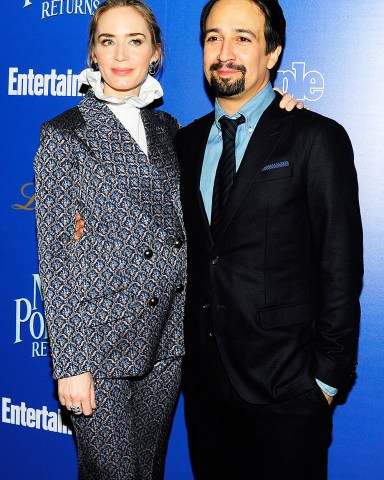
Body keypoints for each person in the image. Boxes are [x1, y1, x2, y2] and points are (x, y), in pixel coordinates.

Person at [175, 0, 363, 479]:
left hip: (289, 392)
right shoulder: (185, 143)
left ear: (273, 51)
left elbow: (340, 265)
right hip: (205, 390)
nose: (225, 52)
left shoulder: (315, 138)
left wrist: (324, 380)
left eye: (243, 37)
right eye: (213, 37)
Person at [34, 1, 187, 478]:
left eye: (135, 40)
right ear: (93, 54)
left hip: (166, 337)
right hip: (98, 346)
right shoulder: (65, 134)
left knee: (148, 470)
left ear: (155, 53)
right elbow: (56, 258)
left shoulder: (169, 128)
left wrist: (282, 108)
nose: (121, 54)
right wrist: (72, 361)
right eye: (108, 40)